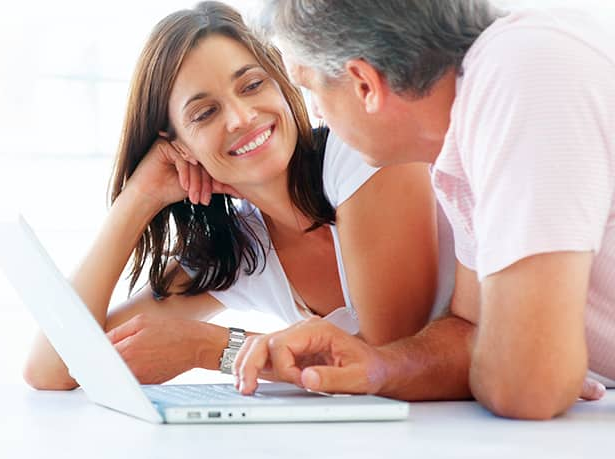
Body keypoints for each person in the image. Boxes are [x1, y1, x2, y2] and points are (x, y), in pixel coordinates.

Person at [23, 1, 453, 390]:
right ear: (180, 146)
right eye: (205, 113)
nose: (241, 118)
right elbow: (55, 368)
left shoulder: (360, 153)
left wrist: (209, 348)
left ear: (282, 82)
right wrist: (137, 200)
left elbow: (384, 355)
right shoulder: (240, 249)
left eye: (251, 86)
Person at [234, 0, 615, 419]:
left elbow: (526, 387)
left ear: (364, 82)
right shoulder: (461, 136)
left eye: (310, 88)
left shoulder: (522, 71)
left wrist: (523, 361)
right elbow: (470, 329)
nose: (317, 113)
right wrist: (380, 366)